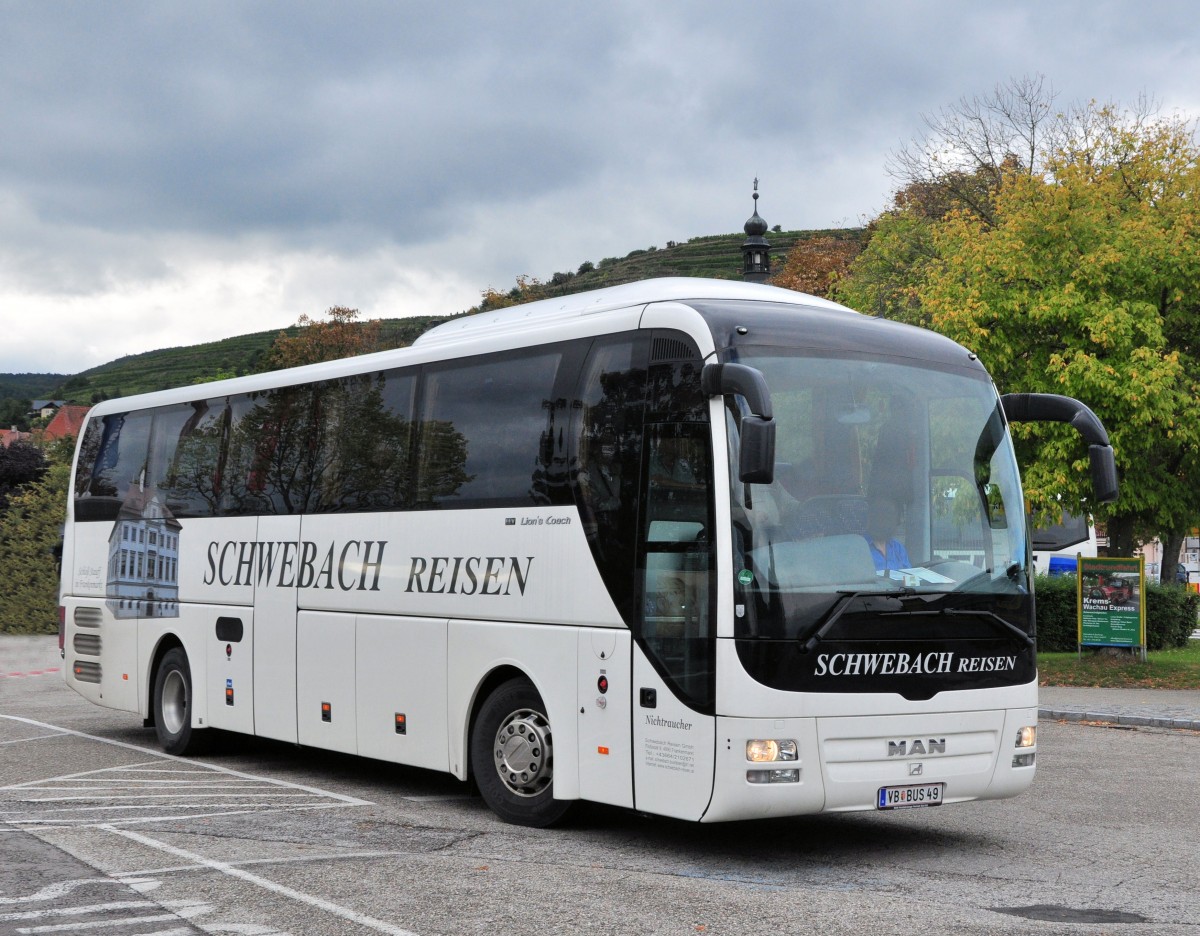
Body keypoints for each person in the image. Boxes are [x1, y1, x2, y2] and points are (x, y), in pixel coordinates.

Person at [864, 494, 910, 573]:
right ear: (870, 518)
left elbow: (910, 579)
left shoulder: (898, 548)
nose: (885, 521)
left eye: (890, 516)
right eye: (881, 515)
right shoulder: (858, 548)